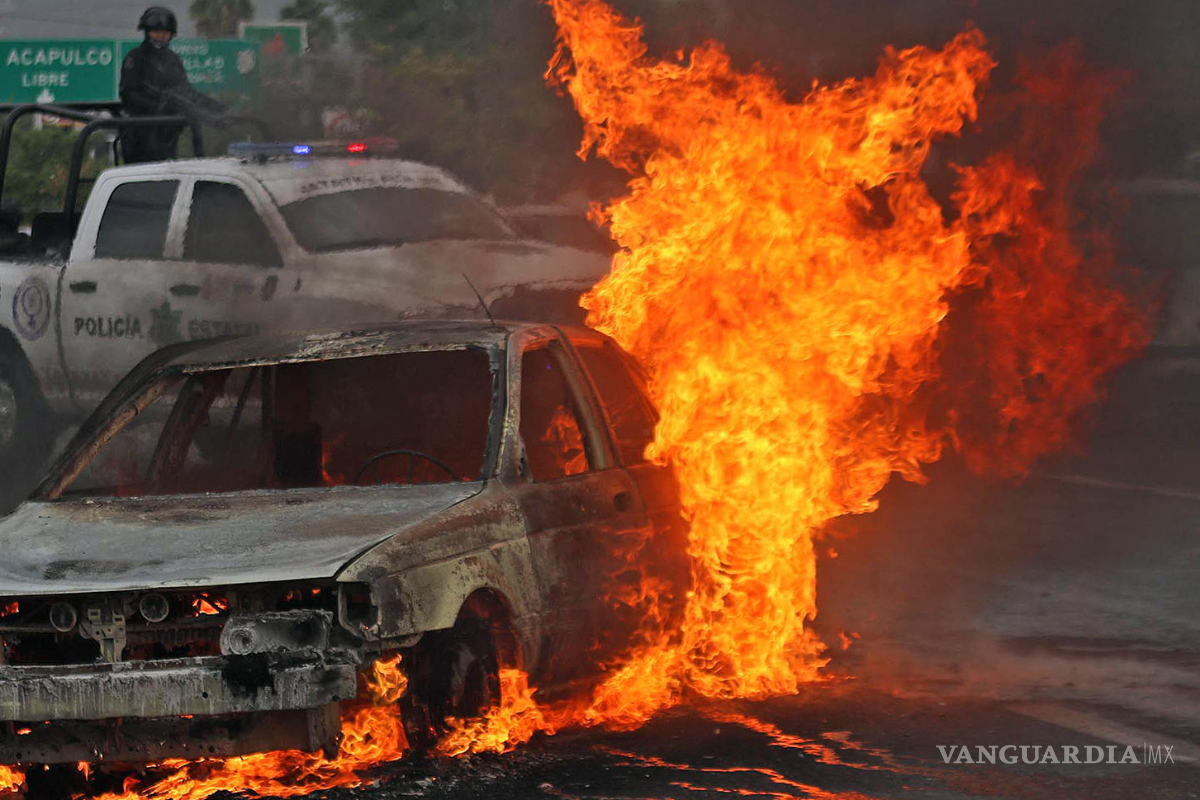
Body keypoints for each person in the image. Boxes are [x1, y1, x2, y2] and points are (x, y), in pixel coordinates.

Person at [119, 7, 227, 164]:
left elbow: (186, 92)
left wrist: (214, 106)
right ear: (147, 31)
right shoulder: (136, 58)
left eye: (165, 32)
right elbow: (128, 94)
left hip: (166, 134)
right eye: (156, 31)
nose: (161, 36)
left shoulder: (173, 60)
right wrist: (159, 106)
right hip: (140, 131)